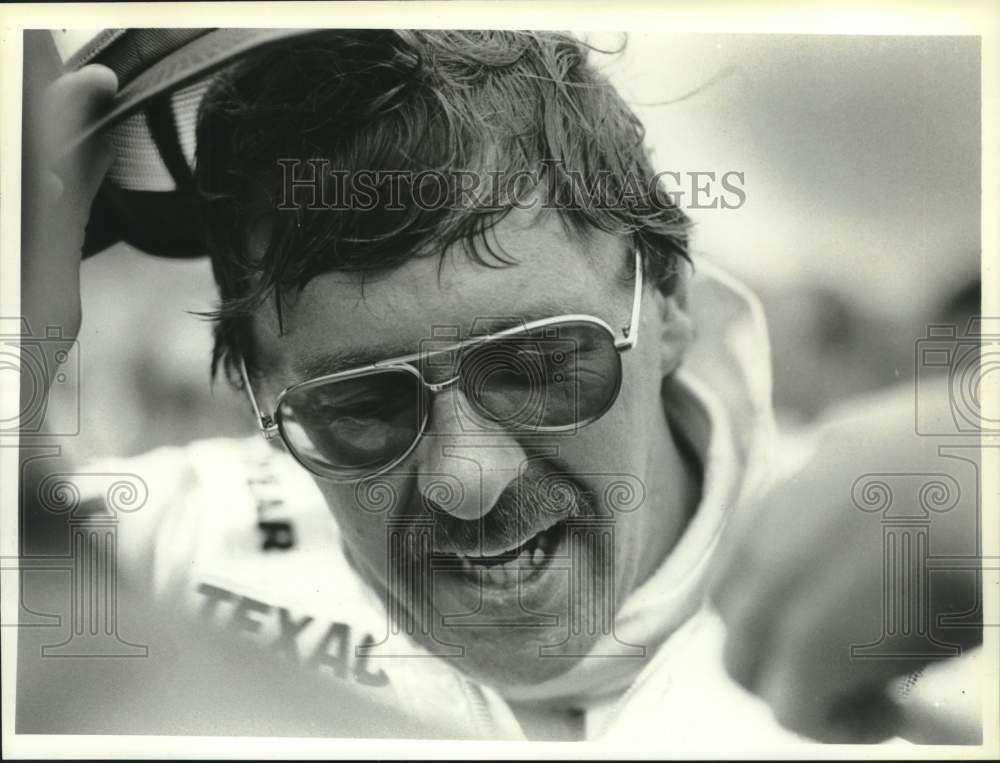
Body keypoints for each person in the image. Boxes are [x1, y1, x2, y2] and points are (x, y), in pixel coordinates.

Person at [21, 29, 982, 744]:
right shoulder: (142, 562)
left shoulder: (916, 578)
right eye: (361, 406)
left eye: (537, 364)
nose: (467, 477)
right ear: (264, 403)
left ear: (671, 303)